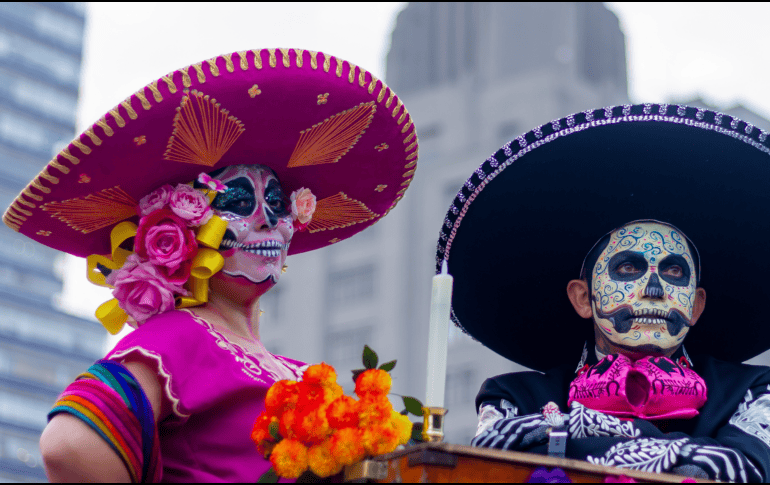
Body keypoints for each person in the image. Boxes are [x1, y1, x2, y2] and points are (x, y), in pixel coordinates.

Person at [2, 48, 418, 482]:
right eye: (239, 201)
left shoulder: (297, 372)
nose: (267, 218)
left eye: (277, 202)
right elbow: (69, 446)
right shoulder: (181, 335)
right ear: (182, 227)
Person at [434, 103, 770, 481]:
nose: (655, 289)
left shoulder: (756, 390)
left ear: (695, 305)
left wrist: (564, 431)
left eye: (673, 271)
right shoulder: (513, 396)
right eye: (629, 268)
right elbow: (491, 465)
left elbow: (737, 469)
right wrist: (675, 449)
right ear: (583, 298)